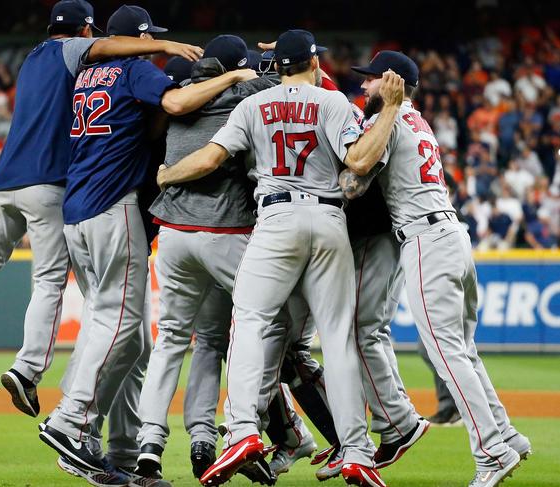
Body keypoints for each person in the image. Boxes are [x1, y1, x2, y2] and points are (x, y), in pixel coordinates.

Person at [0, 0, 204, 421]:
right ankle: (28, 370)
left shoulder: (31, 60)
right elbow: (106, 49)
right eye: (94, 32)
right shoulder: (70, 52)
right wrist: (168, 45)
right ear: (85, 30)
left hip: (2, 183)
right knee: (49, 279)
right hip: (46, 183)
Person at [157, 29, 405, 487]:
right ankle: (355, 451)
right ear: (313, 64)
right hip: (329, 220)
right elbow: (360, 162)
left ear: (277, 66)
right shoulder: (332, 103)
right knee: (336, 339)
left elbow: (210, 158)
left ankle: (243, 431)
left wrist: (169, 174)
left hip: (274, 218)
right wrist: (390, 108)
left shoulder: (252, 104)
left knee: (250, 321)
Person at [36, 18, 257, 485]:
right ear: (135, 38)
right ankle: (71, 420)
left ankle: (115, 450)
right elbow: (176, 101)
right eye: (147, 36)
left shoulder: (86, 75)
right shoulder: (133, 68)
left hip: (77, 210)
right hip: (111, 205)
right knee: (122, 324)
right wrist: (233, 76)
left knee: (133, 338)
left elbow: (155, 116)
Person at [341, 50, 532, 487]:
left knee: (447, 354)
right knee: (464, 350)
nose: (364, 86)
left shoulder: (387, 120)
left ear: (390, 82)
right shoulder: (419, 121)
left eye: (371, 80)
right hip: (452, 234)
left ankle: (491, 453)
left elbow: (355, 177)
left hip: (426, 239)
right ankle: (505, 433)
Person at [135, 33, 278, 481]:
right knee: (256, 327)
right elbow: (291, 84)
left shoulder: (180, 91)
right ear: (238, 67)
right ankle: (234, 435)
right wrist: (274, 62)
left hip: (174, 234)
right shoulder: (247, 94)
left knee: (173, 337)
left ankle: (150, 443)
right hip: (225, 233)